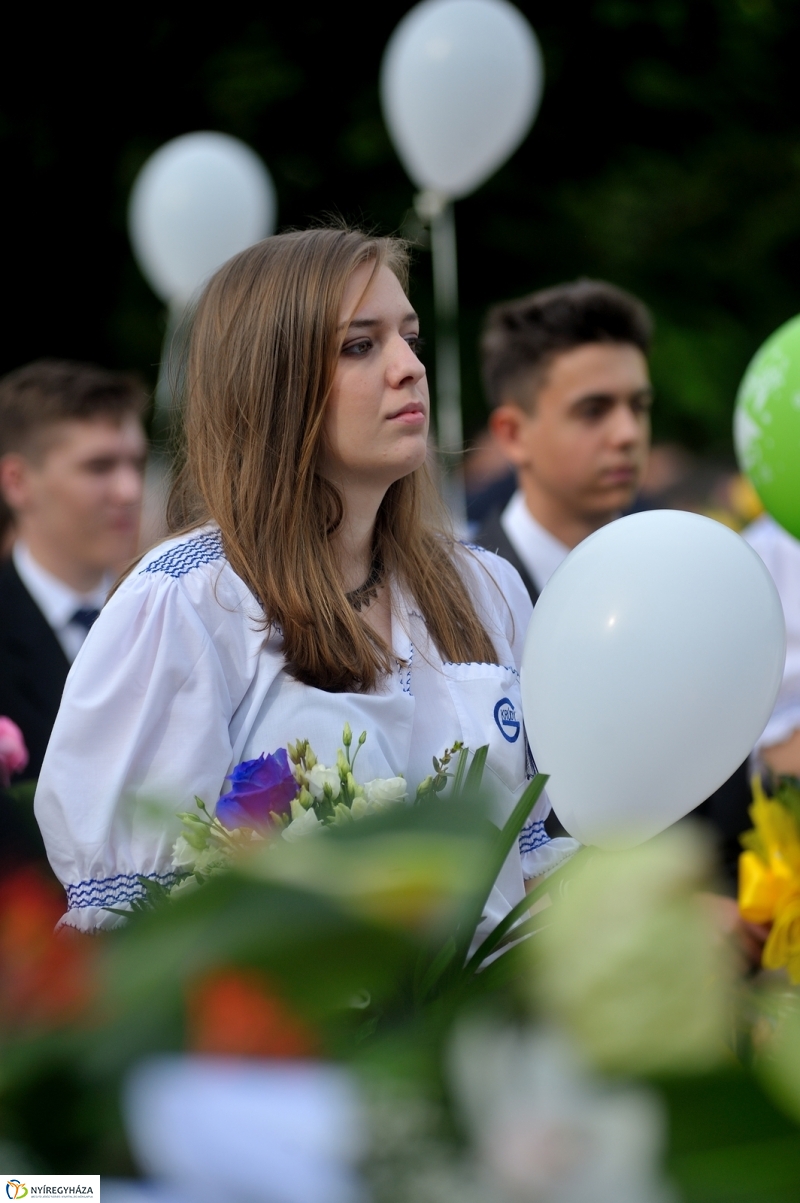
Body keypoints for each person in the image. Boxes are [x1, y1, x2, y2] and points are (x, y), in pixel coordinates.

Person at [34, 228, 576, 933]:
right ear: (274, 384)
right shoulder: (189, 601)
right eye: (361, 345)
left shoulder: (486, 588)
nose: (408, 367)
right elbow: (131, 923)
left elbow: (525, 866)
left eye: (409, 337)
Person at [0, 360, 148, 780]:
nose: (130, 490)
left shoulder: (162, 615)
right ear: (17, 482)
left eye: (135, 463)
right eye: (98, 467)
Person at [473, 279, 653, 602]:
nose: (629, 433)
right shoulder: (462, 599)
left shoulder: (674, 575)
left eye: (638, 406)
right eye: (593, 411)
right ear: (513, 434)